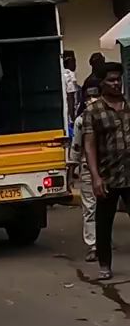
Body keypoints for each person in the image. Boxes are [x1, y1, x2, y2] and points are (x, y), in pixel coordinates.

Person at [83, 62, 130, 280]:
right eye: (111, 80)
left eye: (118, 79)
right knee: (104, 222)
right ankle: (105, 265)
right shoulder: (94, 111)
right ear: (102, 83)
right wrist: (95, 176)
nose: (116, 83)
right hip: (108, 175)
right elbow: (90, 144)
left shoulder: (128, 105)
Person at [70, 79, 101, 262]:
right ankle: (93, 245)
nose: (92, 100)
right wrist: (71, 173)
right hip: (88, 168)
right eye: (89, 96)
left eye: (95, 95)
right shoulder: (82, 120)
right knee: (90, 208)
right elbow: (76, 147)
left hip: (110, 167)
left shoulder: (111, 115)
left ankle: (102, 240)